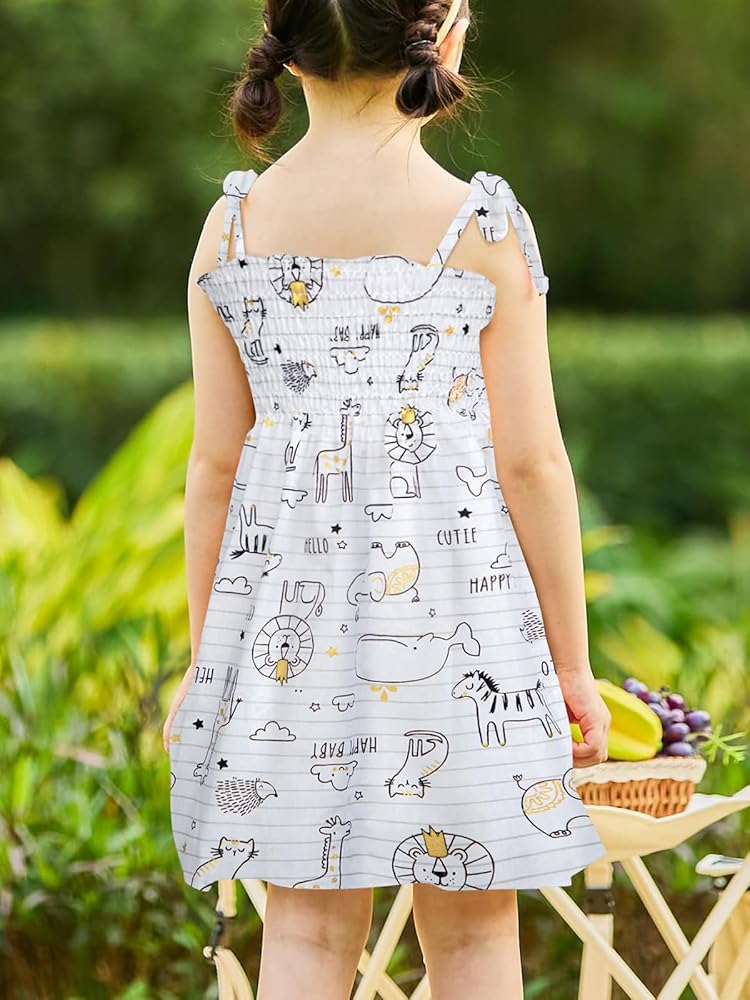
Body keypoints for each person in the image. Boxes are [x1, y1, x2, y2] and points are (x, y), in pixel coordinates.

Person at [163, 1, 610, 997]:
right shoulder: (481, 225)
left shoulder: (231, 229)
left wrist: (206, 663)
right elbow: (532, 464)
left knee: (305, 930)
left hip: (283, 645)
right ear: (442, 38)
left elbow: (215, 468)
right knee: (476, 932)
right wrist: (571, 665)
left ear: (287, 49)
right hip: (466, 632)